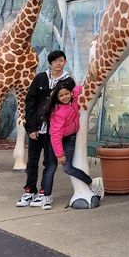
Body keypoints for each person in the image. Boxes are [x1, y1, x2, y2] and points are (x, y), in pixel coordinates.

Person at [16, 49, 68, 209]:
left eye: (61, 60)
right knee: (32, 161)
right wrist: (31, 127)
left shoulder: (67, 81)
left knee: (49, 162)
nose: (59, 63)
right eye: (56, 61)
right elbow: (29, 103)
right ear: (50, 63)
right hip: (37, 128)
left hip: (53, 130)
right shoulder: (40, 78)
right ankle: (29, 190)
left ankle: (45, 193)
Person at [47, 77, 104, 206]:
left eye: (67, 93)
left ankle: (91, 183)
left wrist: (90, 90)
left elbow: (79, 89)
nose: (65, 97)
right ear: (57, 97)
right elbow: (55, 135)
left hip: (72, 137)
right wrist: (59, 154)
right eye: (61, 95)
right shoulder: (59, 112)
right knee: (67, 168)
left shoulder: (73, 100)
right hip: (62, 140)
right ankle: (91, 182)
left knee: (67, 167)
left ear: (71, 93)